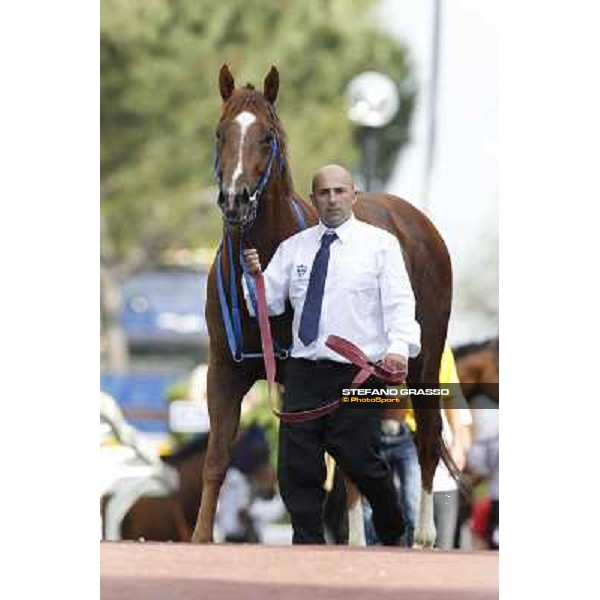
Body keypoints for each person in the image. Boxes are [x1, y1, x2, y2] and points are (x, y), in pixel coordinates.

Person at [243, 164, 421, 545]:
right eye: (324, 192)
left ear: (353, 196)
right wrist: (252, 276)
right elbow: (266, 305)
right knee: (295, 467)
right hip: (305, 371)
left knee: (362, 462)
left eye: (340, 191)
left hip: (358, 373)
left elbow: (400, 303)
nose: (333, 199)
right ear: (314, 199)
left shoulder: (381, 245)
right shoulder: (294, 249)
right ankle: (308, 546)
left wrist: (398, 348)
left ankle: (392, 527)